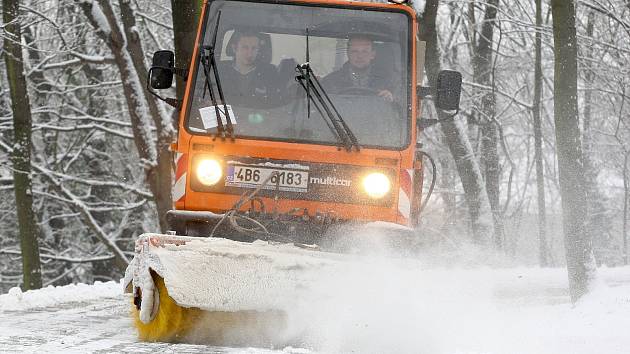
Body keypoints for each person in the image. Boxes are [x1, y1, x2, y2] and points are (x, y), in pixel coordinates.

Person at [322, 35, 396, 102]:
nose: (360, 56)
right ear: (348, 54)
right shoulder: (330, 81)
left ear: (372, 55)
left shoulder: (389, 81)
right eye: (354, 51)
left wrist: (392, 98)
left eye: (364, 51)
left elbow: (401, 107)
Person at [220, 31, 281, 108]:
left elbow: (276, 104)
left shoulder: (270, 73)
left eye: (254, 48)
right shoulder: (219, 71)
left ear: (259, 50)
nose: (250, 53)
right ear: (234, 48)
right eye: (245, 47)